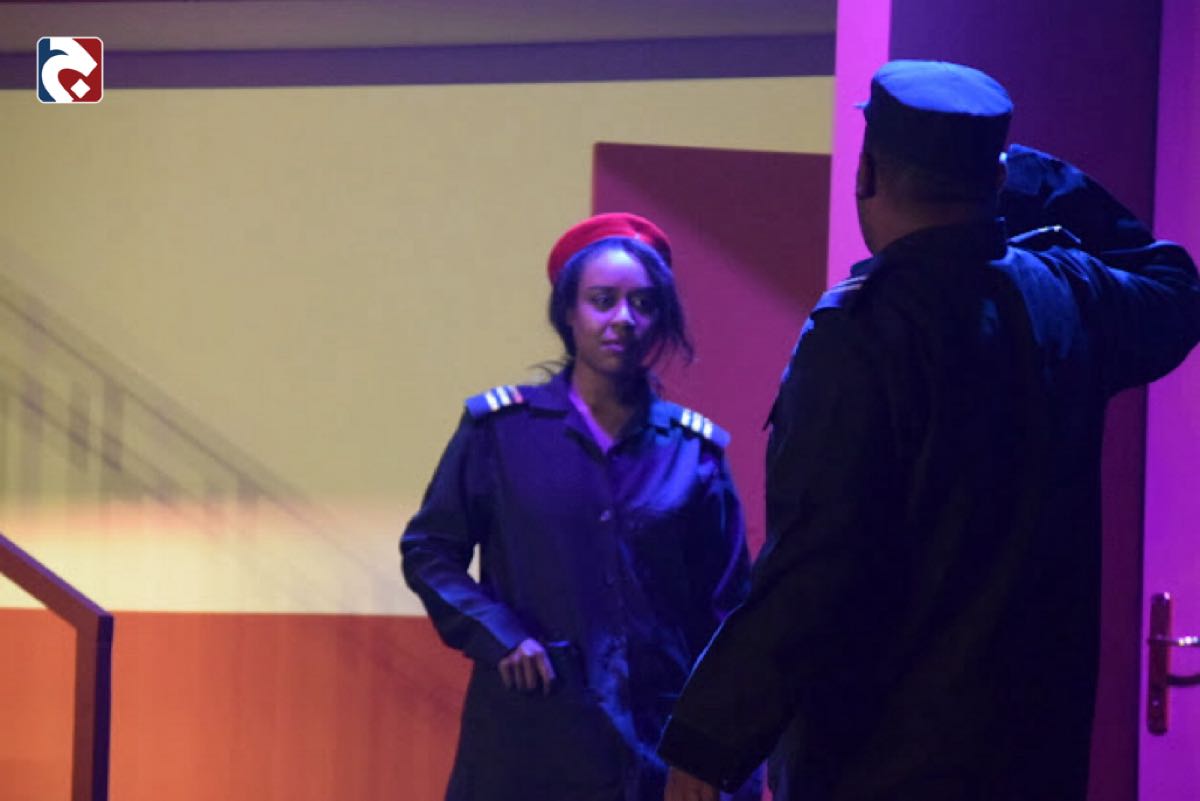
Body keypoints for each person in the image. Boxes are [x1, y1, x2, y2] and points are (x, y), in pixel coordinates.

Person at [658, 60, 1200, 801]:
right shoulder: (1070, 295)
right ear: (995, 179)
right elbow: (1176, 288)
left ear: (866, 173)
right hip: (1035, 762)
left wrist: (707, 740)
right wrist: (1025, 172)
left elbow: (817, 560)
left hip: (883, 763)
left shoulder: (860, 331)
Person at [401, 212, 758, 801]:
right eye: (602, 300)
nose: (624, 319)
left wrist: (716, 752)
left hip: (655, 751)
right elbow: (429, 551)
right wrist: (499, 634)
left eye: (643, 303)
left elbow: (729, 613)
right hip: (530, 742)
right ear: (568, 311)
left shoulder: (692, 453)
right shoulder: (501, 432)